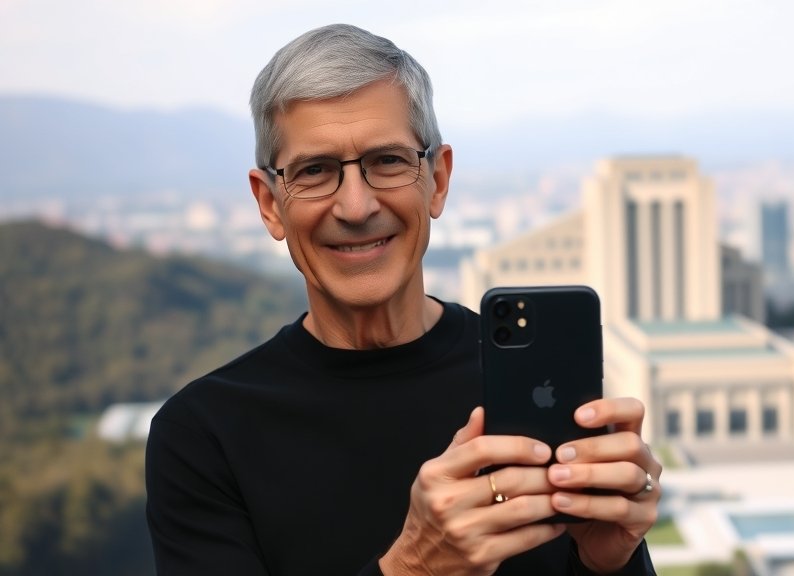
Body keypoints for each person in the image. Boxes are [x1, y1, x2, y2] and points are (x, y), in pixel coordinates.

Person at [145, 23, 661, 576]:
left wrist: (608, 565)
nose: (356, 205)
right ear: (270, 203)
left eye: (387, 160)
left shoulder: (533, 387)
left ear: (436, 181)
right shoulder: (204, 434)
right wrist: (415, 566)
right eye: (315, 171)